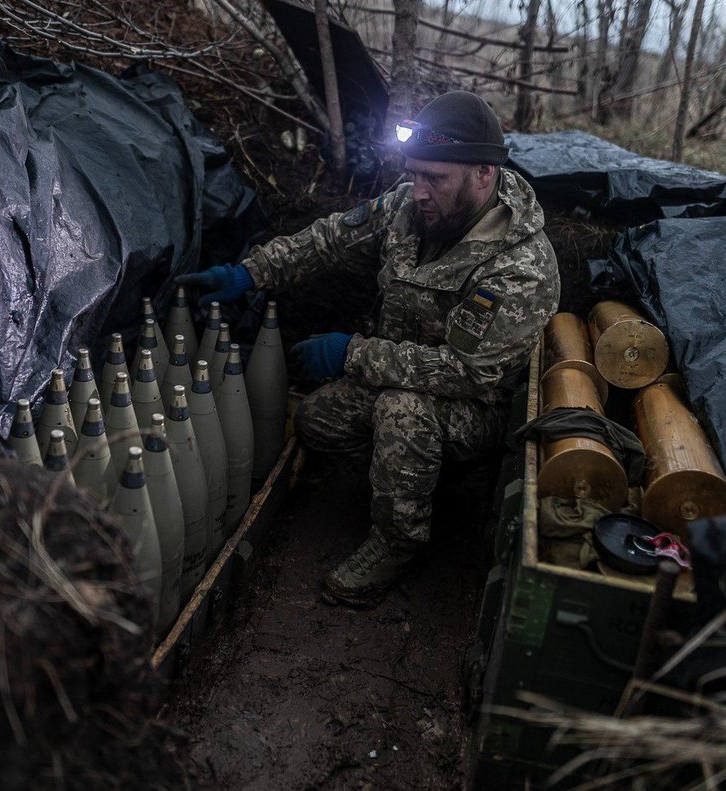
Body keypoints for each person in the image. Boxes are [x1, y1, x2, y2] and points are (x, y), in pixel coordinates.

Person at [178, 91, 559, 607]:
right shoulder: (411, 205)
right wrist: (251, 271)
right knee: (316, 422)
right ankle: (412, 480)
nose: (418, 190)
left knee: (403, 415)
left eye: (435, 179)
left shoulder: (519, 267)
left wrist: (351, 354)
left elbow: (472, 375)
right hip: (395, 374)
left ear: (484, 176)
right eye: (414, 173)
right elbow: (333, 239)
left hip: (473, 409)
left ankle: (399, 543)